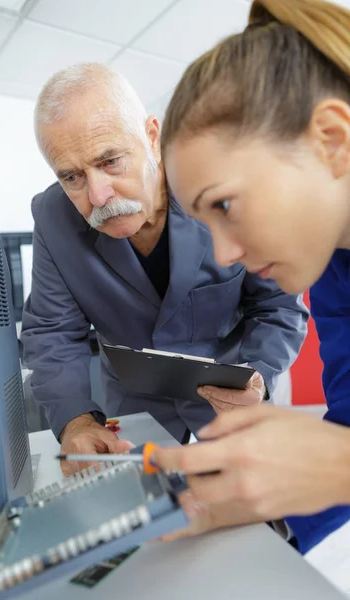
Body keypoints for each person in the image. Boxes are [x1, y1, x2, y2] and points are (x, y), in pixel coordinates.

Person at [21, 63, 307, 476]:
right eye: (72, 176)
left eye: (111, 161)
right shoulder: (52, 217)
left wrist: (257, 377)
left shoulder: (224, 190)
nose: (98, 195)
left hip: (231, 400)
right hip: (133, 412)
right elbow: (52, 332)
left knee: (251, 525)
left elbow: (279, 307)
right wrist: (75, 419)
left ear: (152, 138)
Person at [153, 0, 350, 571]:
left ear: (332, 141)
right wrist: (259, 509)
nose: (223, 253)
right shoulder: (334, 267)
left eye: (226, 205)